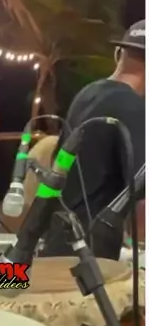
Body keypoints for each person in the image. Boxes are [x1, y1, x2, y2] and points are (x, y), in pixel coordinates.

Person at [41, 20, 145, 260]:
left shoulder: (86, 94)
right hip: (90, 258)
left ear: (119, 54)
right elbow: (141, 204)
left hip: (59, 243)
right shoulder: (133, 107)